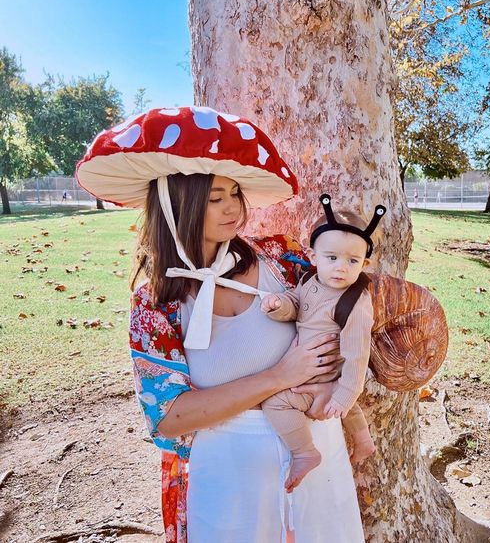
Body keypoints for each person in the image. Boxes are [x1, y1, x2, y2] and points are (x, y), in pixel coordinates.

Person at [75, 107, 365, 543]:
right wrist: (280, 376)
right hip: (226, 473)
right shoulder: (156, 305)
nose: (233, 208)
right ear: (176, 206)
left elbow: (352, 300)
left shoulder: (281, 260)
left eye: (234, 192)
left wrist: (353, 407)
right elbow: (168, 417)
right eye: (214, 198)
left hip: (315, 448)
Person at [261, 194, 382, 491]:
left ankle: (304, 452)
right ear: (314, 258)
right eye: (332, 258)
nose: (341, 268)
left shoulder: (354, 301)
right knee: (343, 402)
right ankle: (364, 441)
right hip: (314, 365)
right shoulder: (307, 281)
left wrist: (345, 393)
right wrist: (279, 306)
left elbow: (357, 354)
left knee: (276, 402)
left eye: (352, 261)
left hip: (323, 371)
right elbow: (296, 307)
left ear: (364, 263)